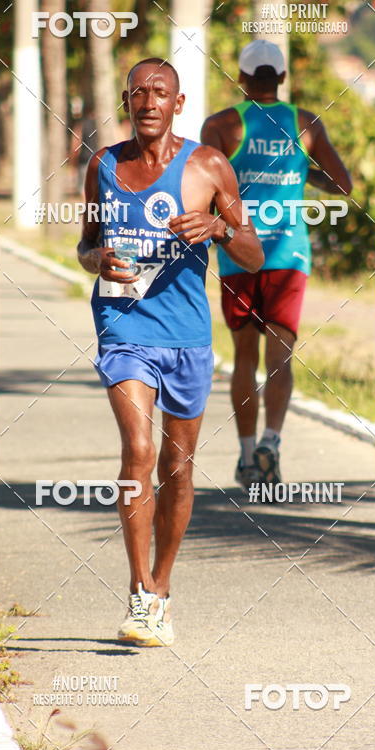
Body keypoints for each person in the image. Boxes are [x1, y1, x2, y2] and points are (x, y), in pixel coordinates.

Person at [77, 58, 263, 646]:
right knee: (138, 448)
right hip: (123, 326)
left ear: (178, 104)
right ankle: (138, 596)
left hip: (186, 337)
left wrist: (219, 230)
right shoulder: (104, 165)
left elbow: (254, 254)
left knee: (176, 470)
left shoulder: (208, 166)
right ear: (127, 102)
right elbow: (86, 242)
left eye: (161, 93)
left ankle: (162, 585)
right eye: (139, 93)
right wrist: (94, 260)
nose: (149, 102)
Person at [201, 39, 352, 490]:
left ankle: (247, 456)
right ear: (282, 78)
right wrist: (301, 171)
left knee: (243, 356)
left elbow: (205, 184)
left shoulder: (222, 125)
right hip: (289, 252)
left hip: (238, 250)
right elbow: (342, 186)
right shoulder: (305, 124)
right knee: (280, 357)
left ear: (242, 79)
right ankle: (271, 441)